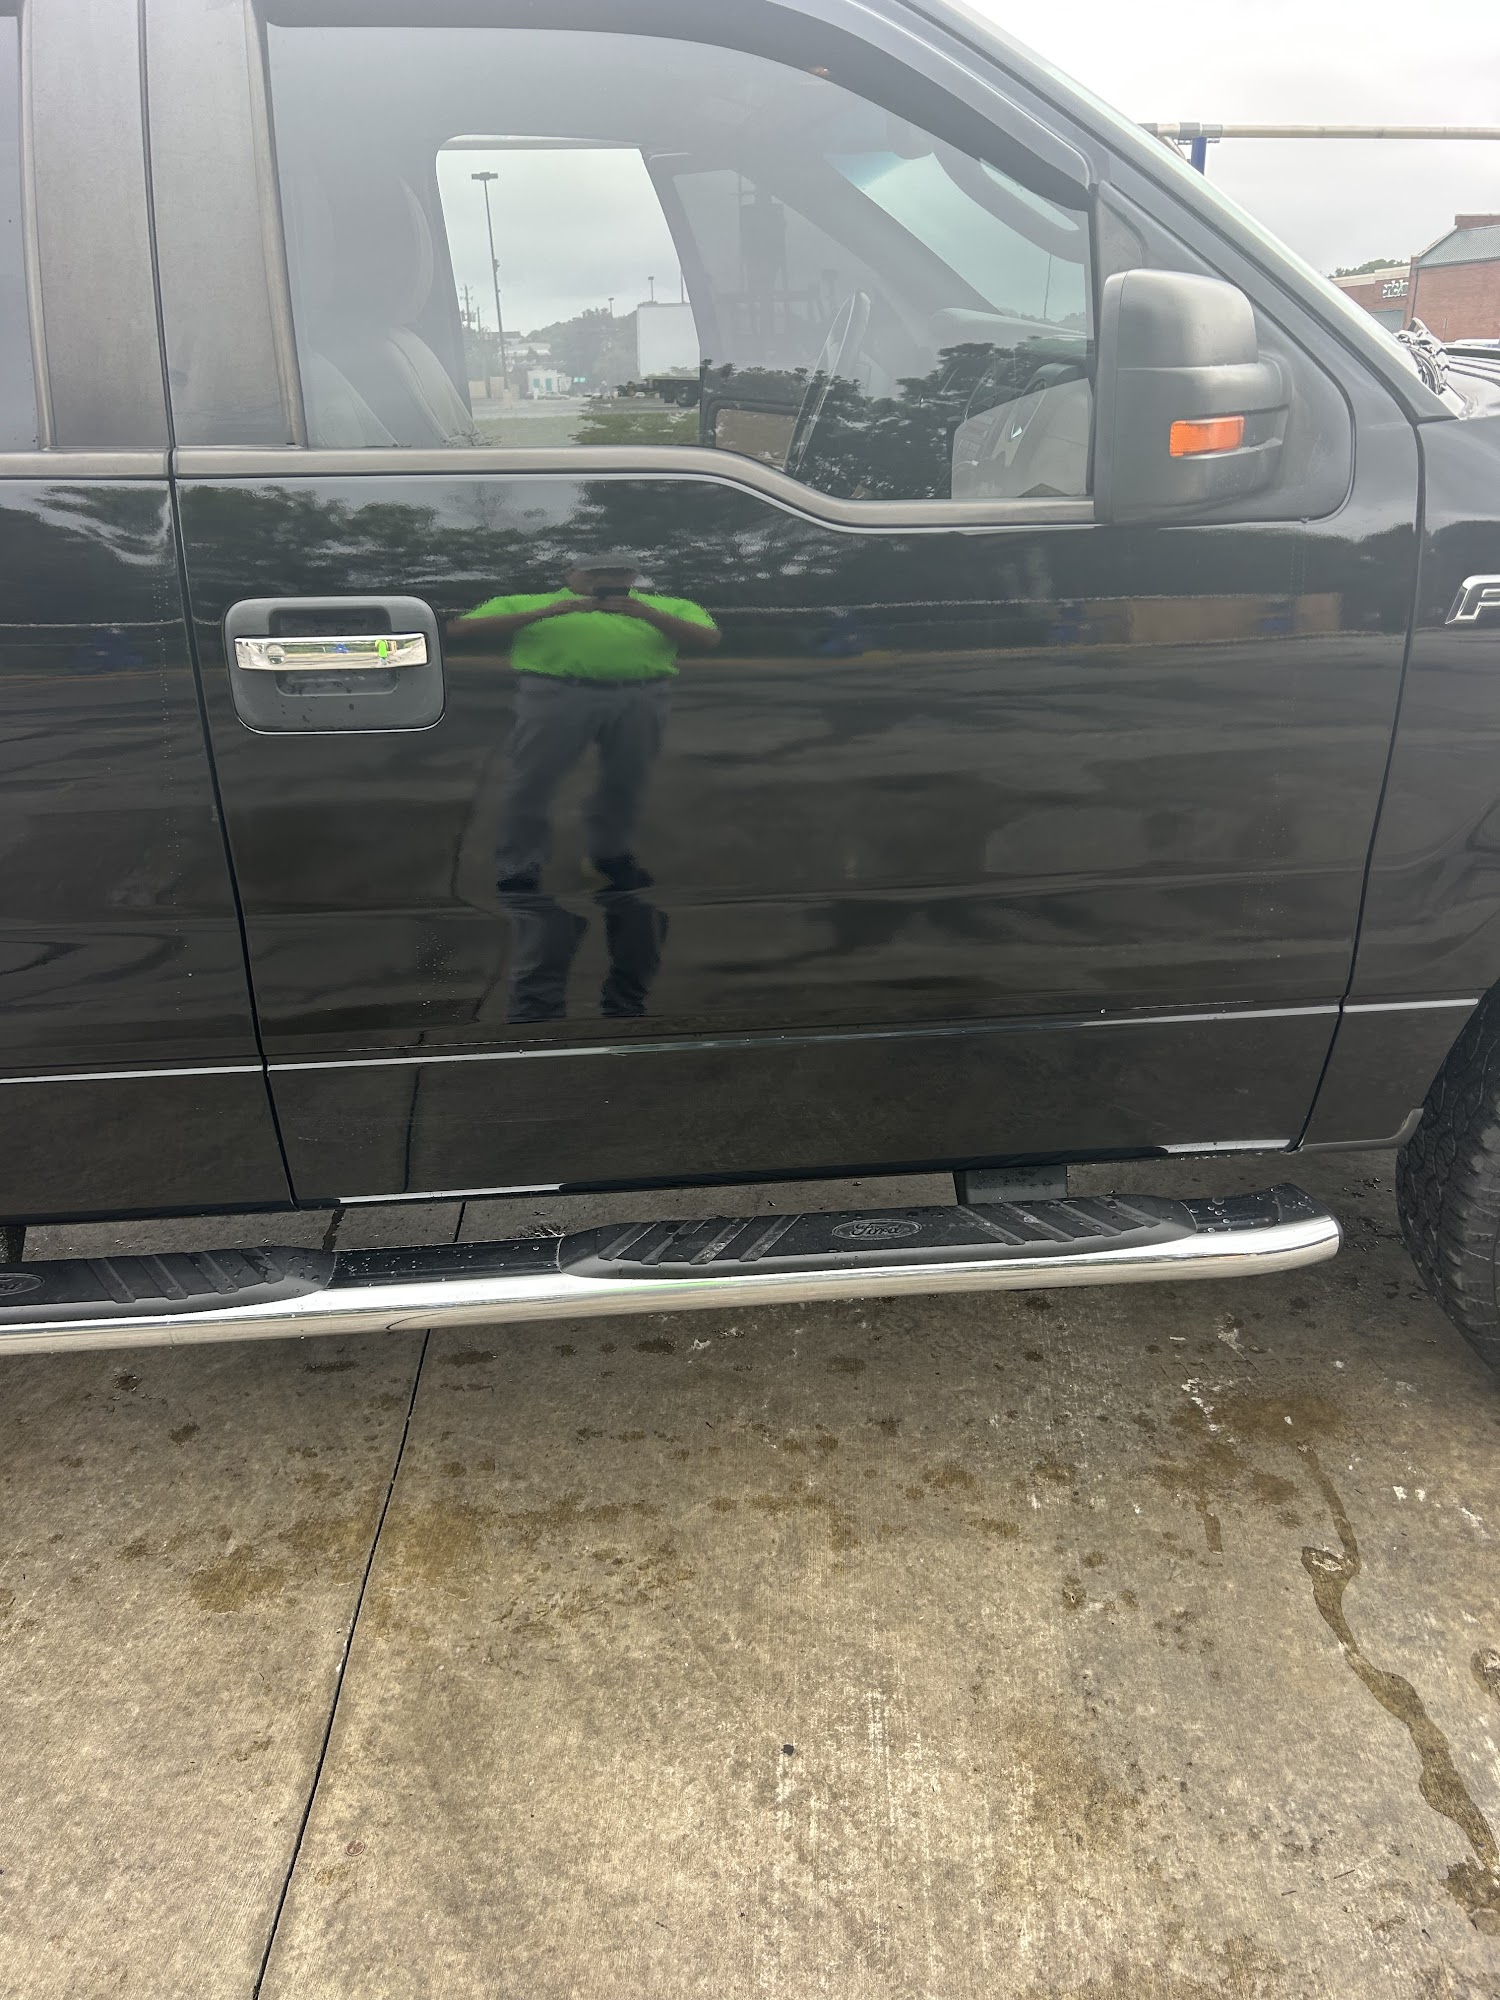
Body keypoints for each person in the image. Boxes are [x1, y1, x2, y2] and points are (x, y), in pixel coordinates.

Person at [455, 552, 719, 893]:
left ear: (633, 578)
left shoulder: (666, 606)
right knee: (533, 781)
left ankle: (609, 857)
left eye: (619, 574)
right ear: (570, 575)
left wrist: (648, 614)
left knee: (626, 781)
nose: (606, 580)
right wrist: (547, 612)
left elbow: (708, 639)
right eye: (595, 574)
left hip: (641, 696)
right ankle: (519, 866)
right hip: (556, 695)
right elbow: (462, 628)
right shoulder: (528, 602)